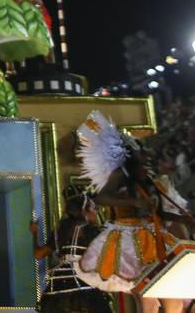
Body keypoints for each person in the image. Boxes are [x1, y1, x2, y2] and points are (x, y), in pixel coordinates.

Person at [74, 111, 188, 313]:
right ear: (130, 154)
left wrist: (179, 217)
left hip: (155, 236)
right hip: (129, 239)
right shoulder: (121, 174)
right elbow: (100, 198)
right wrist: (133, 201)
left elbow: (159, 213)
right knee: (147, 294)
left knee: (171, 293)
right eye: (142, 152)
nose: (147, 156)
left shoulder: (150, 179)